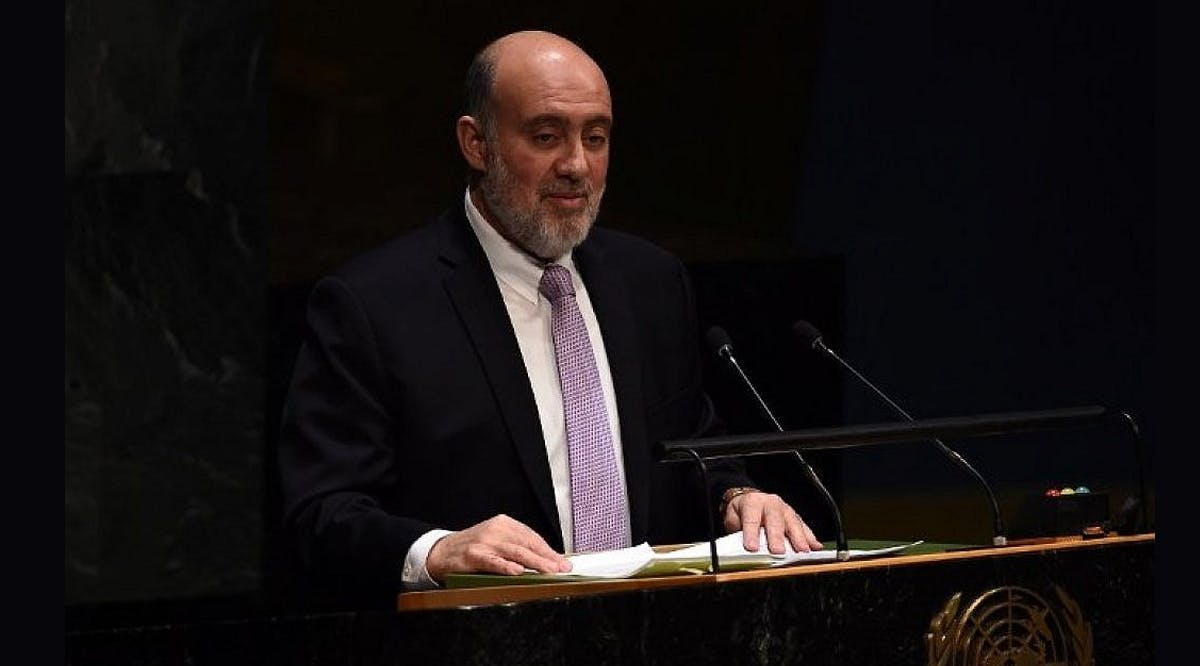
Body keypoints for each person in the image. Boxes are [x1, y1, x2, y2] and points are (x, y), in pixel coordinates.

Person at [277, 29, 821, 605]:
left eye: (596, 137)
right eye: (546, 136)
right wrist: (435, 551)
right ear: (476, 143)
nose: (577, 166)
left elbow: (691, 446)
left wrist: (735, 495)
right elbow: (321, 512)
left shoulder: (650, 282)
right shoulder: (375, 304)